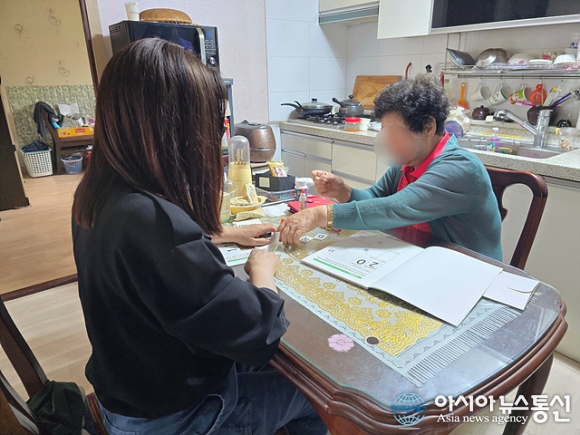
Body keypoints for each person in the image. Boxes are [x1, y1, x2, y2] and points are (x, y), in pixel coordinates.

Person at [72, 38, 326, 435]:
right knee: (317, 395)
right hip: (179, 419)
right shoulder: (154, 223)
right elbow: (260, 329)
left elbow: (151, 262)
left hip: (128, 396)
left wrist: (225, 232)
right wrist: (262, 271)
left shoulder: (99, 194)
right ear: (177, 129)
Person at [279, 76, 502, 261]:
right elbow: (375, 198)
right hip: (420, 256)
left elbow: (395, 208)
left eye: (394, 132)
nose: (386, 140)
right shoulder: (408, 162)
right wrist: (344, 191)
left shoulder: (460, 167)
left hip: (468, 269)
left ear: (428, 127)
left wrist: (320, 214)